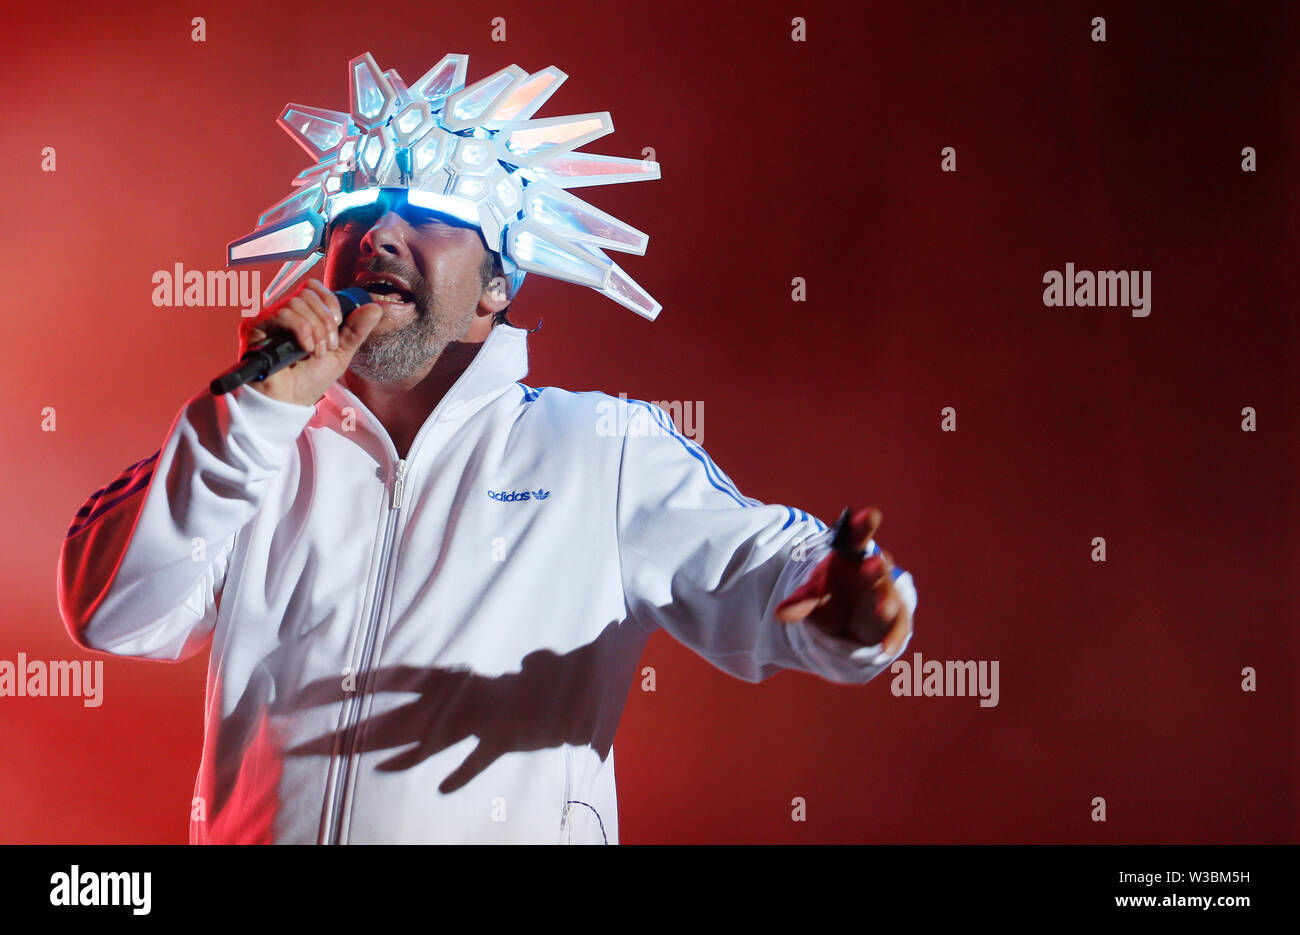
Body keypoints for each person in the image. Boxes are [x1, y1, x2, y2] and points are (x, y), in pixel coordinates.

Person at [56, 52, 917, 844]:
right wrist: (250, 419)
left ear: (500, 281)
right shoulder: (252, 445)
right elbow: (110, 611)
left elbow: (775, 579)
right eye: (356, 213)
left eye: (428, 214)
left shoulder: (595, 450)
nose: (381, 235)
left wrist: (851, 608)